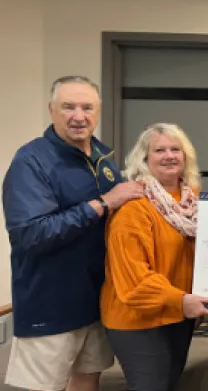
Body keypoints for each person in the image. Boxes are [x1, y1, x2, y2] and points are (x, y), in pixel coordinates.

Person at [2, 76, 144, 391]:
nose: (78, 116)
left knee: (86, 378)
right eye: (68, 107)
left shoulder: (102, 156)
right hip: (49, 304)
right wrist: (103, 203)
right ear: (52, 111)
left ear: (98, 111)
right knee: (43, 386)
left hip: (95, 299)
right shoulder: (32, 161)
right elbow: (31, 234)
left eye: (86, 107)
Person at [100, 123, 208, 391]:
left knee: (170, 383)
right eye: (159, 150)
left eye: (176, 149)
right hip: (139, 319)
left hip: (177, 314)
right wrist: (182, 300)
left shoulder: (193, 201)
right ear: (144, 158)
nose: (169, 156)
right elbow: (133, 280)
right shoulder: (134, 206)